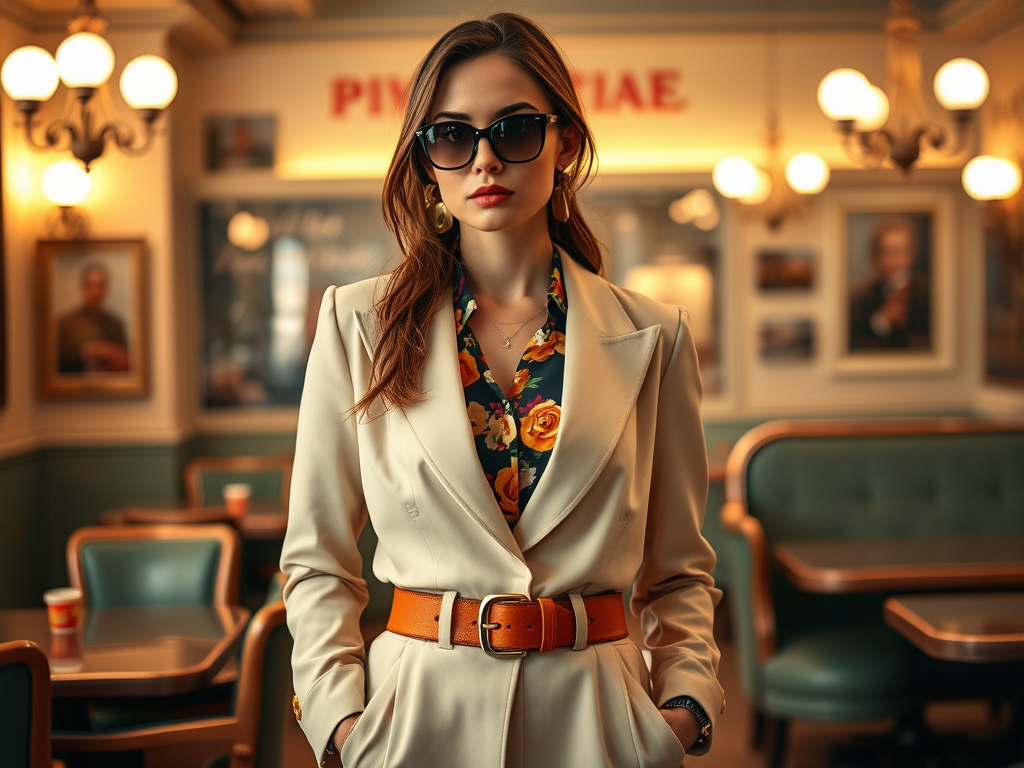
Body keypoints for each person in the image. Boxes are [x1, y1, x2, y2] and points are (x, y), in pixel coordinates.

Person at [281, 13, 722, 768]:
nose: (484, 160)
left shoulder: (655, 337)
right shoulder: (356, 322)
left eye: (514, 129)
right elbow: (318, 560)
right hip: (414, 723)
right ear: (427, 162)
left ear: (565, 143)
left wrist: (683, 707)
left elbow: (678, 569)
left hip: (601, 724)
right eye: (452, 135)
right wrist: (343, 723)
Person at [849, 218, 931, 350]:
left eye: (901, 251)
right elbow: (852, 342)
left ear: (912, 253)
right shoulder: (860, 297)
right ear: (875, 255)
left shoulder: (929, 291)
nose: (896, 260)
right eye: (888, 252)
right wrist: (880, 322)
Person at [57, 262, 130, 374]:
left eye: (100, 285)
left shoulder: (116, 323)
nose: (96, 291)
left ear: (106, 288)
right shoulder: (66, 324)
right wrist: (90, 352)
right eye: (91, 285)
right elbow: (60, 362)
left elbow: (126, 362)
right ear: (83, 288)